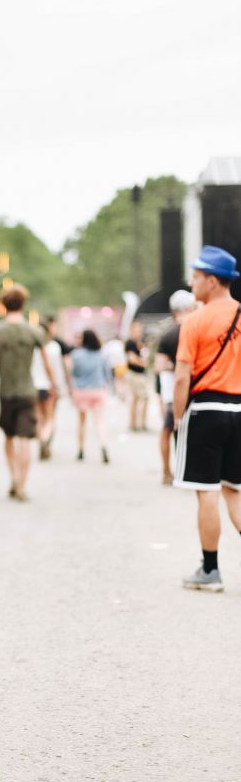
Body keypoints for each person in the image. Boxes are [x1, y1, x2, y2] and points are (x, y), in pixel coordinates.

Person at [173, 246, 241, 592]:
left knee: (207, 491)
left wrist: (175, 416)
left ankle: (210, 569)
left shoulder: (194, 321)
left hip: (206, 410)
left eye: (196, 277)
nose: (191, 282)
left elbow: (182, 376)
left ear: (212, 282)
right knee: (235, 491)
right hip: (239, 411)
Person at [0, 285, 54, 501]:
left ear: (4, 305)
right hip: (27, 391)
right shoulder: (34, 332)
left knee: (9, 436)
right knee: (25, 438)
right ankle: (22, 485)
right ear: (23, 304)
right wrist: (54, 385)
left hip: (6, 392)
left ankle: (13, 476)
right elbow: (47, 363)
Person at [154, 289, 196, 485]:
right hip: (194, 391)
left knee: (168, 429)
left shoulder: (167, 335)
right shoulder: (196, 331)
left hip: (171, 393)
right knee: (193, 431)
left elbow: (158, 367)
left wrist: (174, 365)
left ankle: (166, 471)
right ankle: (190, 471)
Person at [68, 329, 111, 463]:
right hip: (98, 389)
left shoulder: (76, 354)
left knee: (81, 421)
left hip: (81, 391)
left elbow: (74, 373)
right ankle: (103, 445)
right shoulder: (101, 354)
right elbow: (107, 374)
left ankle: (81, 449)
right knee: (99, 421)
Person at [31, 316, 67, 460]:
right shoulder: (53, 347)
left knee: (39, 418)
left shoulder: (32, 348)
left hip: (34, 386)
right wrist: (58, 387)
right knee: (50, 418)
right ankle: (45, 439)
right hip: (48, 386)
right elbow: (56, 370)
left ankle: (41, 440)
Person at [124, 320, 150, 430]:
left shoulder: (140, 343)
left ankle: (139, 423)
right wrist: (142, 363)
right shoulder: (129, 343)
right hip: (134, 373)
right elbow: (131, 359)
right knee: (139, 398)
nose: (138, 332)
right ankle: (136, 424)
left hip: (140, 373)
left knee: (140, 398)